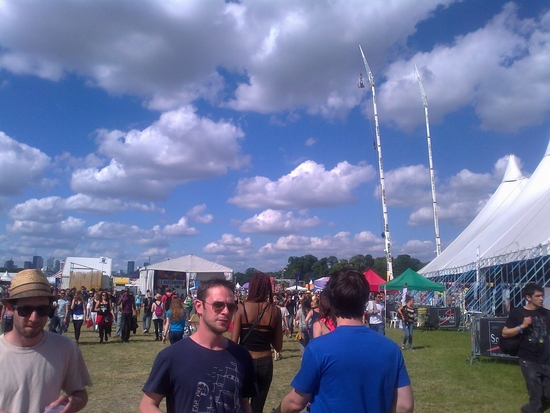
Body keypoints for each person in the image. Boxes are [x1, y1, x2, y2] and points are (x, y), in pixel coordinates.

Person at [275, 268, 413, 413]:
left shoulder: (318, 348)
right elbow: (405, 405)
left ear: (331, 301)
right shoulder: (391, 349)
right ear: (365, 300)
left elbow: (295, 403)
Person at [139, 278, 257, 413]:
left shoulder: (242, 356)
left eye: (231, 307)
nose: (226, 312)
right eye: (218, 305)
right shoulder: (172, 357)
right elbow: (147, 405)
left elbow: (243, 402)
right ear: (199, 307)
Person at [0, 269, 92, 412]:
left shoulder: (65, 348)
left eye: (42, 310)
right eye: (25, 310)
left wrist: (72, 403)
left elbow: (80, 393)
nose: (34, 318)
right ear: (9, 309)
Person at [230, 272, 283, 413]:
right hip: (265, 361)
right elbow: (278, 346)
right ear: (267, 288)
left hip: (245, 361)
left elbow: (233, 342)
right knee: (257, 408)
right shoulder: (275, 311)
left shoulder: (241, 308)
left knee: (240, 405)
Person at [502, 283, 550, 413]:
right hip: (528, 360)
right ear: (528, 297)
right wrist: (522, 326)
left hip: (546, 360)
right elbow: (505, 333)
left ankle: (527, 410)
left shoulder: (547, 314)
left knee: (548, 396)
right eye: (538, 296)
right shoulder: (518, 313)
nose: (541, 298)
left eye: (542, 296)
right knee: (536, 395)